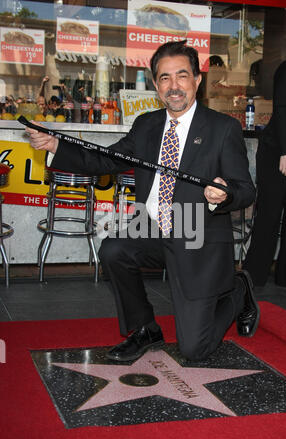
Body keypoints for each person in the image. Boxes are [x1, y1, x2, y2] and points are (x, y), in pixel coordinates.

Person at [26, 40, 259, 362]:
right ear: (155, 84)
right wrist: (55, 146)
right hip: (152, 229)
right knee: (115, 248)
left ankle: (236, 291)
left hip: (197, 238)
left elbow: (246, 190)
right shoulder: (147, 125)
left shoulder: (223, 129)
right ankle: (145, 328)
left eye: (182, 76)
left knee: (195, 350)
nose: (174, 86)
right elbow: (106, 161)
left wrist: (225, 193)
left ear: (197, 80)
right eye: (165, 78)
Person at [243, 54, 286, 287]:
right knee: (269, 215)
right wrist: (285, 153)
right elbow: (282, 110)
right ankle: (253, 277)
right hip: (277, 151)